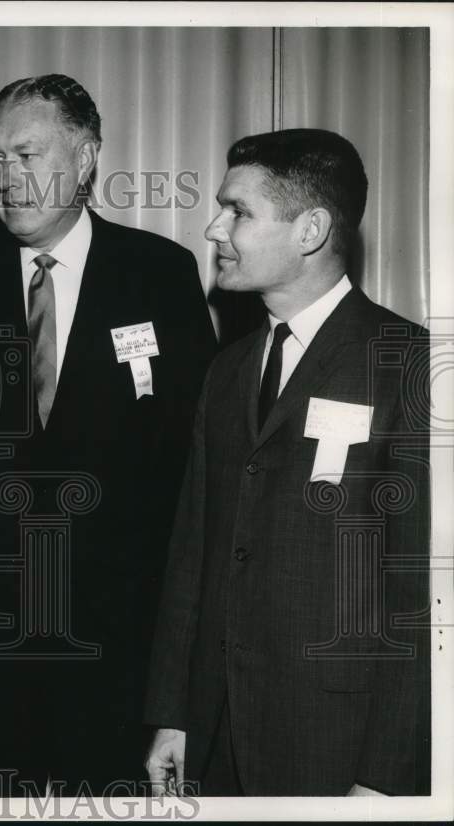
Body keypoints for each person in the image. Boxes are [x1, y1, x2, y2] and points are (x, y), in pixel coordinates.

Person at [0, 74, 216, 795]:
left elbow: (194, 467)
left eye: (27, 154)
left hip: (121, 650)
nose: (6, 178)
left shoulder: (161, 275)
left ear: (85, 160)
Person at [144, 128, 431, 796]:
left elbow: (421, 598)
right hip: (214, 738)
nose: (214, 228)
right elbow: (193, 556)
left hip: (335, 743)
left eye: (239, 211)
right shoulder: (226, 371)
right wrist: (173, 717)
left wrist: (386, 778)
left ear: (310, 230)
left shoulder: (408, 366)